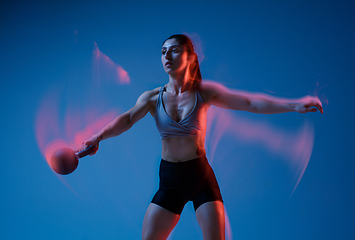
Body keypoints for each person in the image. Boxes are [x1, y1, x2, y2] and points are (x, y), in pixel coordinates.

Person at [77, 34, 323, 240]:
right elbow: (127, 119)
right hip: (170, 181)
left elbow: (250, 103)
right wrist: (97, 137)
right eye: (163, 51)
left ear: (190, 57)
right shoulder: (152, 97)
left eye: (174, 51)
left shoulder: (204, 92)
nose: (166, 56)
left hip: (200, 177)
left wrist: (295, 105)